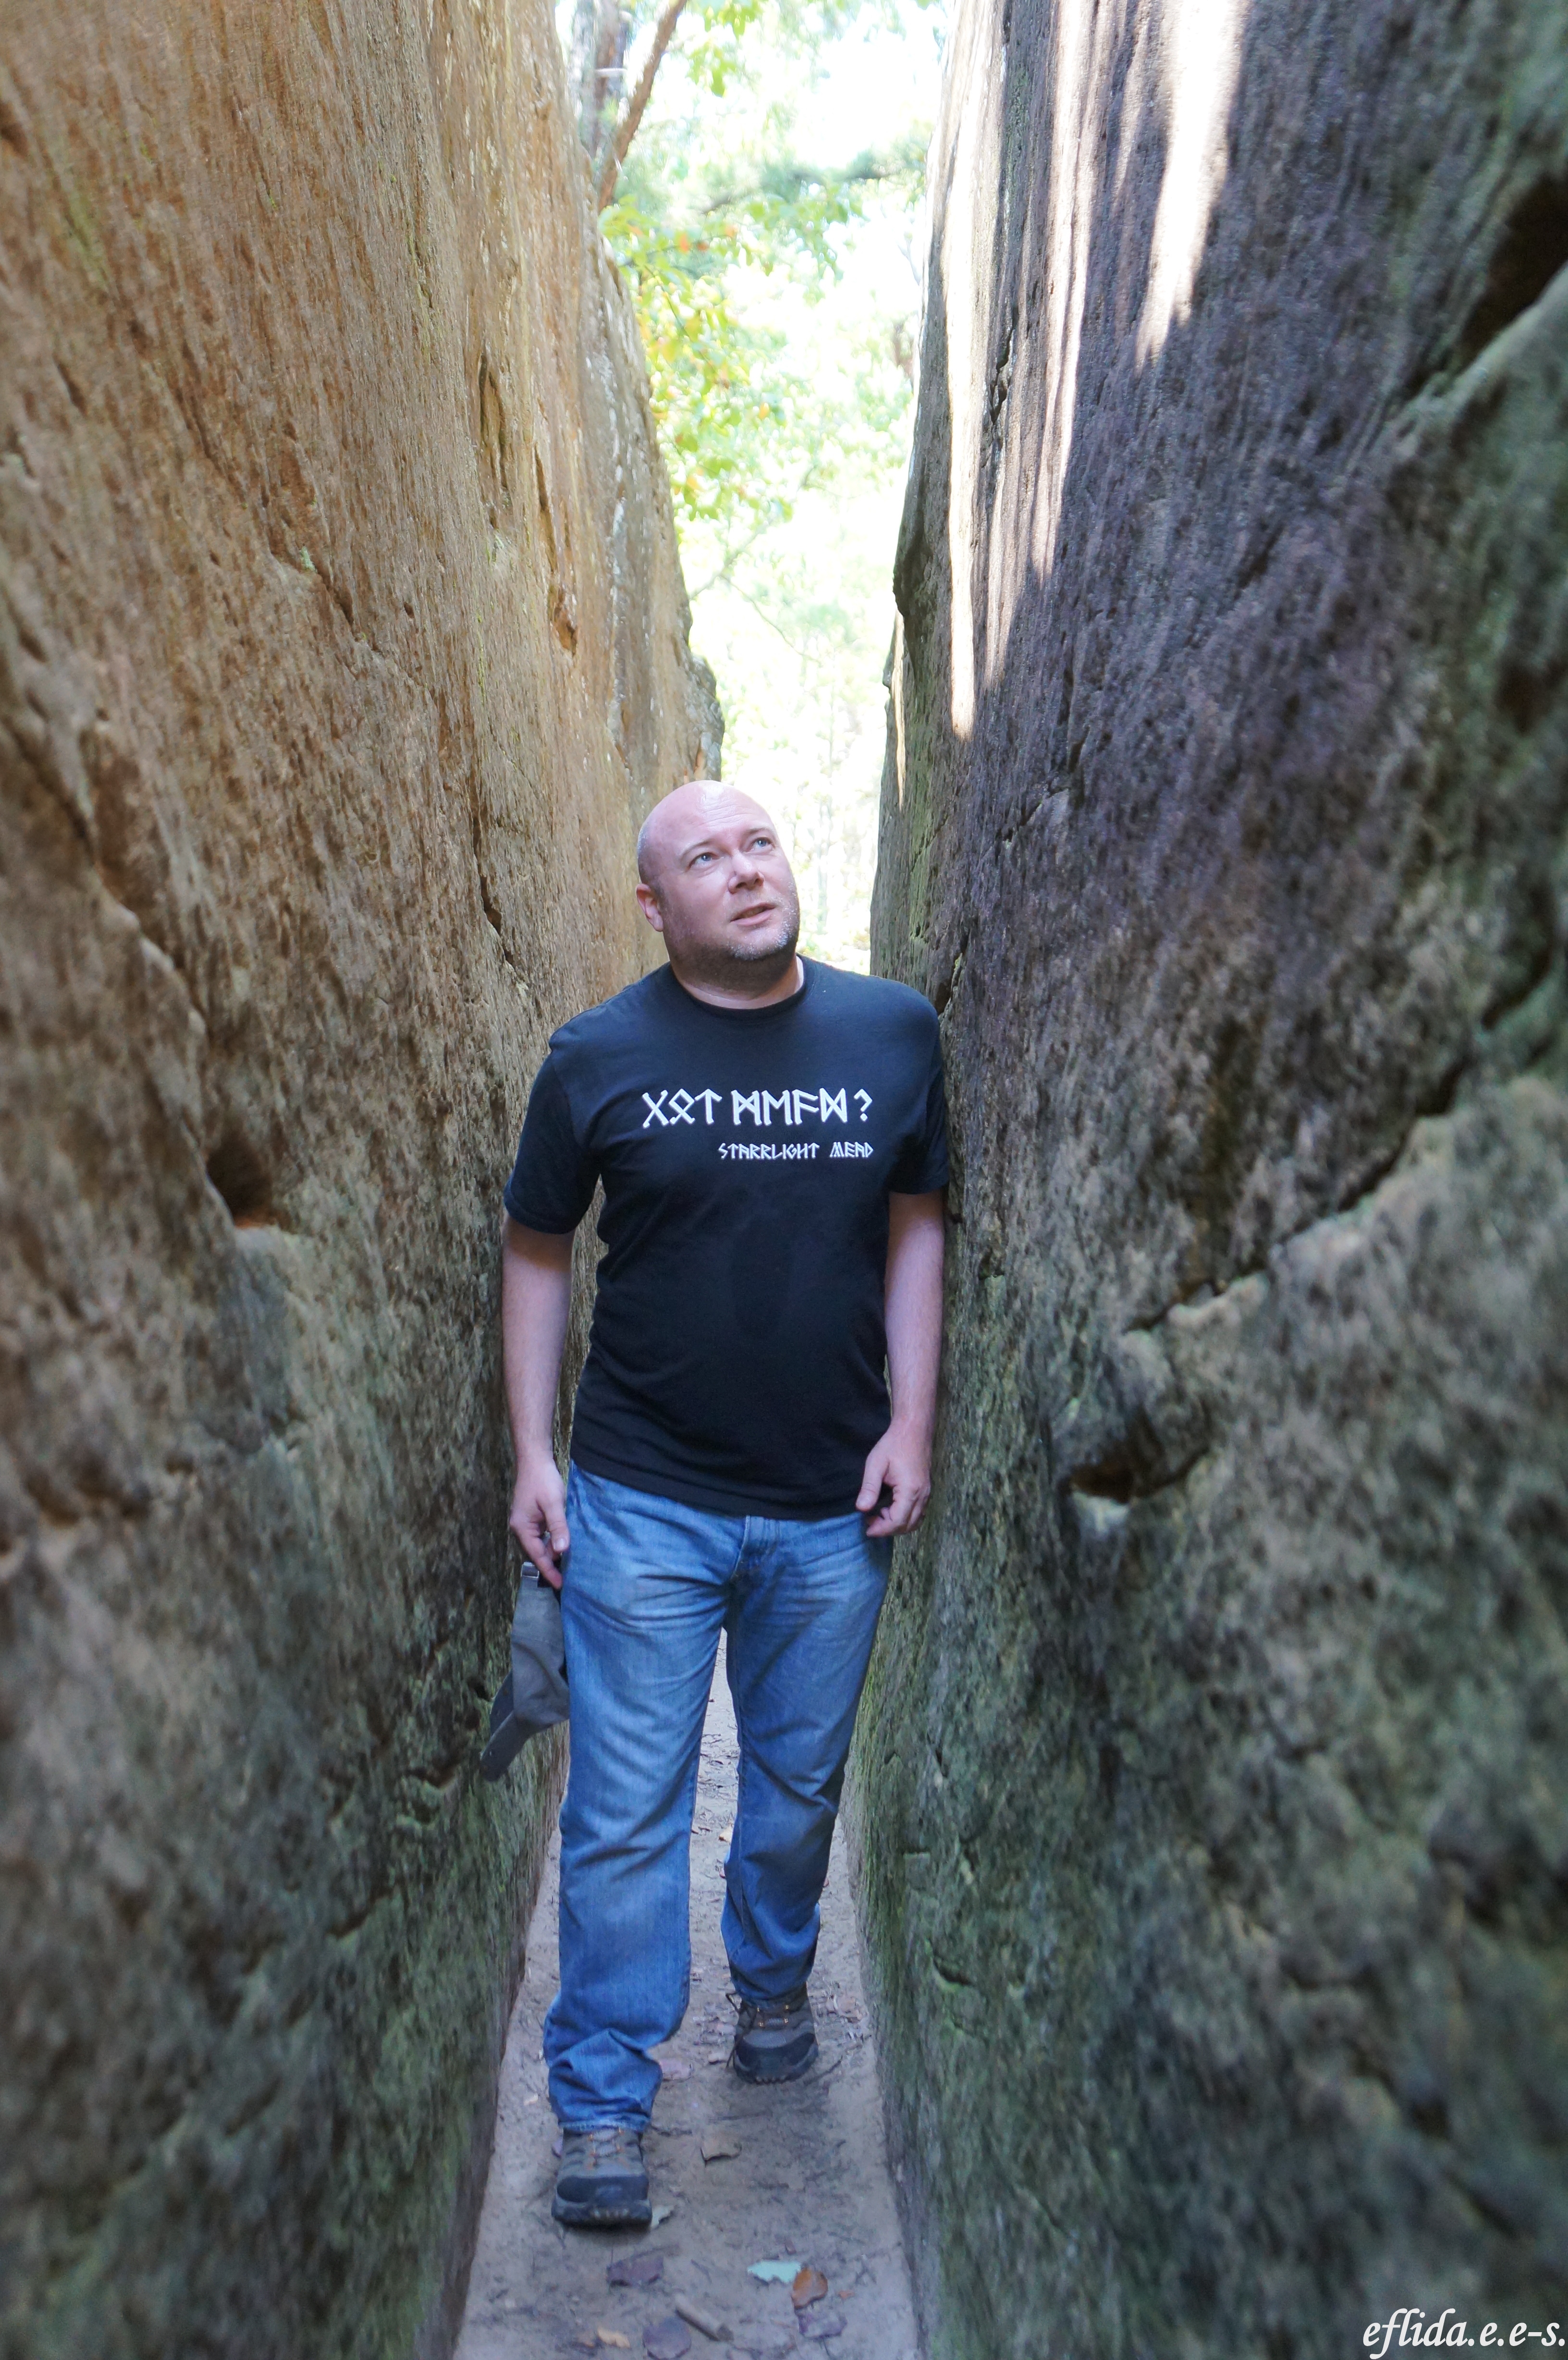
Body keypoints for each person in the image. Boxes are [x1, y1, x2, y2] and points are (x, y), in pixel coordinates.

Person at [499, 778, 947, 2228]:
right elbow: (538, 1248)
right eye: (706, 858)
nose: (746, 872)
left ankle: (771, 1984)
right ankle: (606, 2103)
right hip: (643, 1501)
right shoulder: (597, 1058)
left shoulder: (894, 1035)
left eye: (759, 843)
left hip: (834, 1505)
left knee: (797, 1789)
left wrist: (913, 1426)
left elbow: (918, 1225)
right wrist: (534, 1453)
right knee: (627, 1811)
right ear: (656, 904)